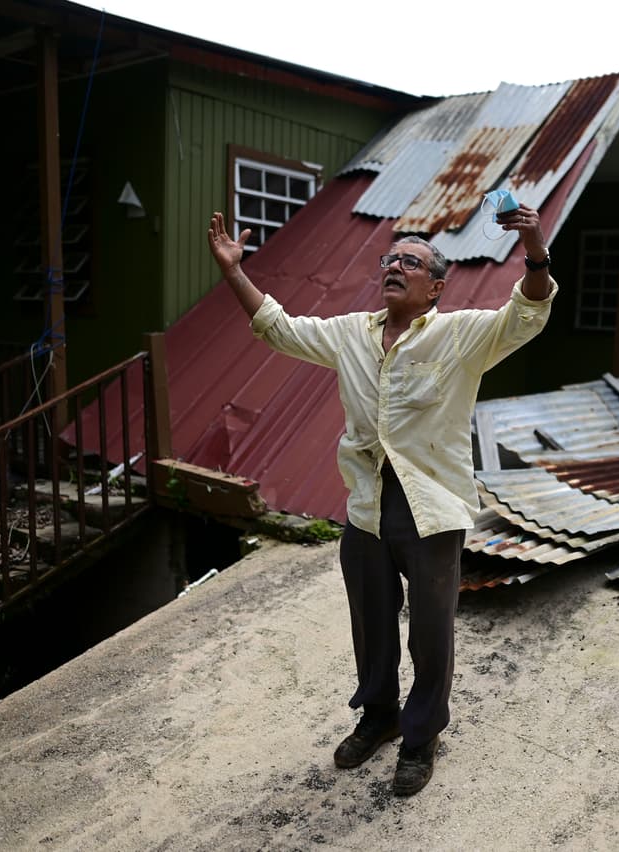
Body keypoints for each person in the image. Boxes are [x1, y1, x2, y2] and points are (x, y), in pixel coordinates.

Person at [206, 202, 556, 797]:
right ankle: (380, 716)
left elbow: (526, 314)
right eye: (390, 259)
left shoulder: (460, 334)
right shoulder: (352, 334)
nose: (394, 266)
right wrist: (234, 272)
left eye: (410, 263)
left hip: (431, 505)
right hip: (368, 502)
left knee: (430, 630)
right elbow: (279, 328)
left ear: (436, 287)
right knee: (370, 618)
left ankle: (420, 737)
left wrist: (537, 251)